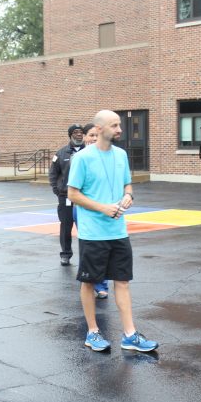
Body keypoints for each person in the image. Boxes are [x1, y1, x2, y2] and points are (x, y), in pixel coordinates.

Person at [68, 110, 158, 353]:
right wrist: (103, 208)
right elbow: (73, 194)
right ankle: (93, 332)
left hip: (118, 231)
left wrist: (128, 195)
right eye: (115, 125)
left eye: (119, 125)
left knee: (122, 281)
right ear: (99, 129)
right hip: (93, 233)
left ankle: (129, 335)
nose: (120, 129)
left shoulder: (121, 155)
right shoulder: (83, 158)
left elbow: (127, 184)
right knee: (89, 283)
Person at [80, 122, 110, 299]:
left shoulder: (107, 157)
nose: (93, 138)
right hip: (79, 209)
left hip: (101, 209)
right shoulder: (75, 156)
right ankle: (88, 280)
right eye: (90, 135)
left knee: (102, 249)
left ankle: (101, 285)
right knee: (88, 249)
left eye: (96, 135)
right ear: (84, 137)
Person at [49, 124, 85, 266]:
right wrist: (57, 190)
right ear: (70, 135)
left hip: (84, 197)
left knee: (84, 227)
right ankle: (65, 254)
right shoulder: (61, 153)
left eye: (81, 132)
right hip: (66, 197)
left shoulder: (89, 152)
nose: (79, 135)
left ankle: (85, 255)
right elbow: (53, 174)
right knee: (66, 227)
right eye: (75, 132)